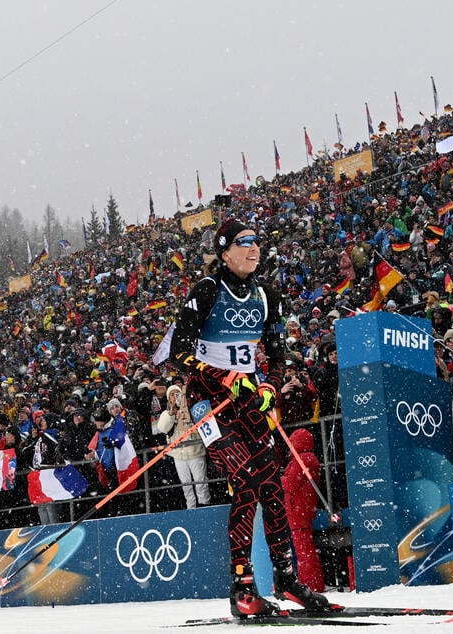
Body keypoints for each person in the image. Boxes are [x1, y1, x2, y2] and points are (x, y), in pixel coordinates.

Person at [170, 220, 330, 617]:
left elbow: (276, 357)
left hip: (248, 400)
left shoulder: (266, 294)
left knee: (271, 485)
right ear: (225, 253)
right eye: (244, 243)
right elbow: (179, 353)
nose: (254, 248)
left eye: (257, 241)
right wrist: (224, 377)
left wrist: (270, 387)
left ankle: (286, 579)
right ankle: (241, 585)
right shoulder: (207, 291)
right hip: (208, 400)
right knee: (245, 480)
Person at [282, 428, 325, 593]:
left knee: (304, 551)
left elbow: (289, 484)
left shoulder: (302, 460)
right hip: (302, 508)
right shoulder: (308, 459)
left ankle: (311, 584)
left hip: (298, 510)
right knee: (305, 550)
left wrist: (276, 479)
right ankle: (310, 581)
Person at [156, 384, 211, 510]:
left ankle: (205, 507)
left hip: (195, 451)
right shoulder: (167, 413)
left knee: (201, 482)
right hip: (178, 455)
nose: (175, 397)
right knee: (186, 485)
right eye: (172, 394)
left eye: (177, 394)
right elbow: (162, 428)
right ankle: (190, 509)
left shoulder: (192, 409)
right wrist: (172, 413)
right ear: (168, 398)